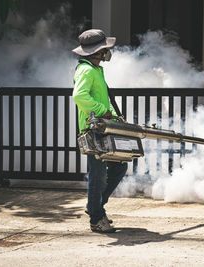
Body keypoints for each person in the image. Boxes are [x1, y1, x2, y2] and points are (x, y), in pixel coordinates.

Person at [72, 29, 127, 233]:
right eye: (104, 49)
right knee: (98, 175)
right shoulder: (86, 70)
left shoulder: (96, 70)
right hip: (92, 130)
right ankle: (96, 217)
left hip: (102, 128)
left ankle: (95, 207)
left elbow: (105, 102)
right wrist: (103, 111)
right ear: (96, 52)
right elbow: (79, 97)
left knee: (119, 167)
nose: (106, 52)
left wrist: (114, 115)